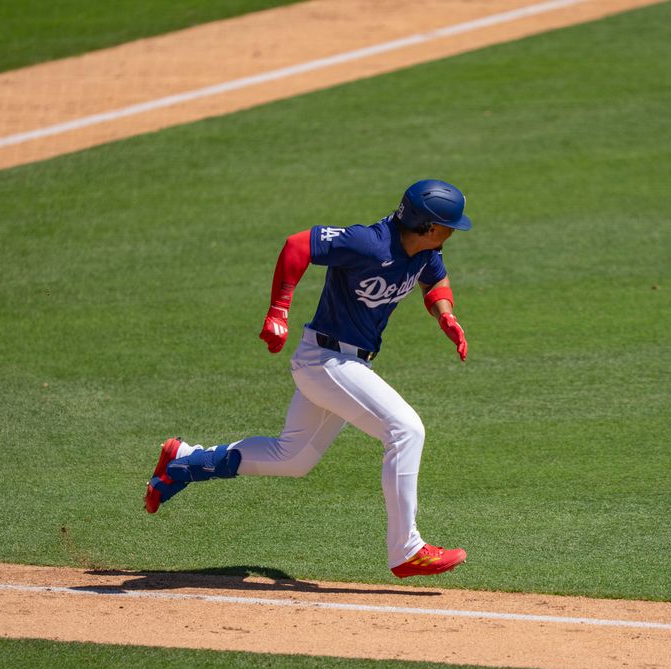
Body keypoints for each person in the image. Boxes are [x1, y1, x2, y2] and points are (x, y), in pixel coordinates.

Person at [144, 179, 472, 578]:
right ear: (424, 225)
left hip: (347, 365)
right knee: (406, 430)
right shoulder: (369, 243)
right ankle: (407, 550)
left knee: (293, 458)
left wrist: (445, 315)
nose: (452, 233)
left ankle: (185, 461)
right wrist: (277, 310)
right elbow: (298, 245)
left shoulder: (425, 250)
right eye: (446, 226)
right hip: (327, 360)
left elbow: (434, 280)